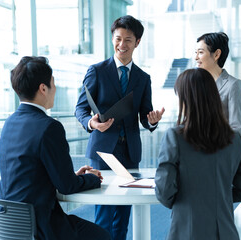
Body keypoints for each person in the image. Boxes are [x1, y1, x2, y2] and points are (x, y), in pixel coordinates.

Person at [0, 56, 111, 240]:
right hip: (40, 226)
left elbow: (30, 174)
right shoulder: (49, 127)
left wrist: (71, 176)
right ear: (43, 88)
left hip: (8, 226)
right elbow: (66, 187)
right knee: (101, 236)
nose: (55, 89)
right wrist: (92, 178)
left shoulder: (9, 123)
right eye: (53, 83)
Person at [75, 15, 164, 240]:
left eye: (128, 40)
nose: (121, 45)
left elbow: (145, 115)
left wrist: (152, 120)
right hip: (102, 151)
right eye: (117, 39)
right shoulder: (97, 71)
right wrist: (91, 123)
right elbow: (80, 109)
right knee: (104, 214)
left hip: (129, 153)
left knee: (123, 216)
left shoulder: (143, 78)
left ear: (137, 42)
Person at [155, 68, 241, 240]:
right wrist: (218, 197)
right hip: (226, 232)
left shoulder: (175, 137)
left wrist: (185, 203)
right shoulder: (235, 138)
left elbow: (164, 191)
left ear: (186, 100)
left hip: (187, 231)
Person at [196, 32, 241, 133]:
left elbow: (236, 129)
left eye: (200, 52)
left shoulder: (233, 85)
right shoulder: (197, 84)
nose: (196, 57)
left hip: (220, 147)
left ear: (216, 54)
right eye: (195, 53)